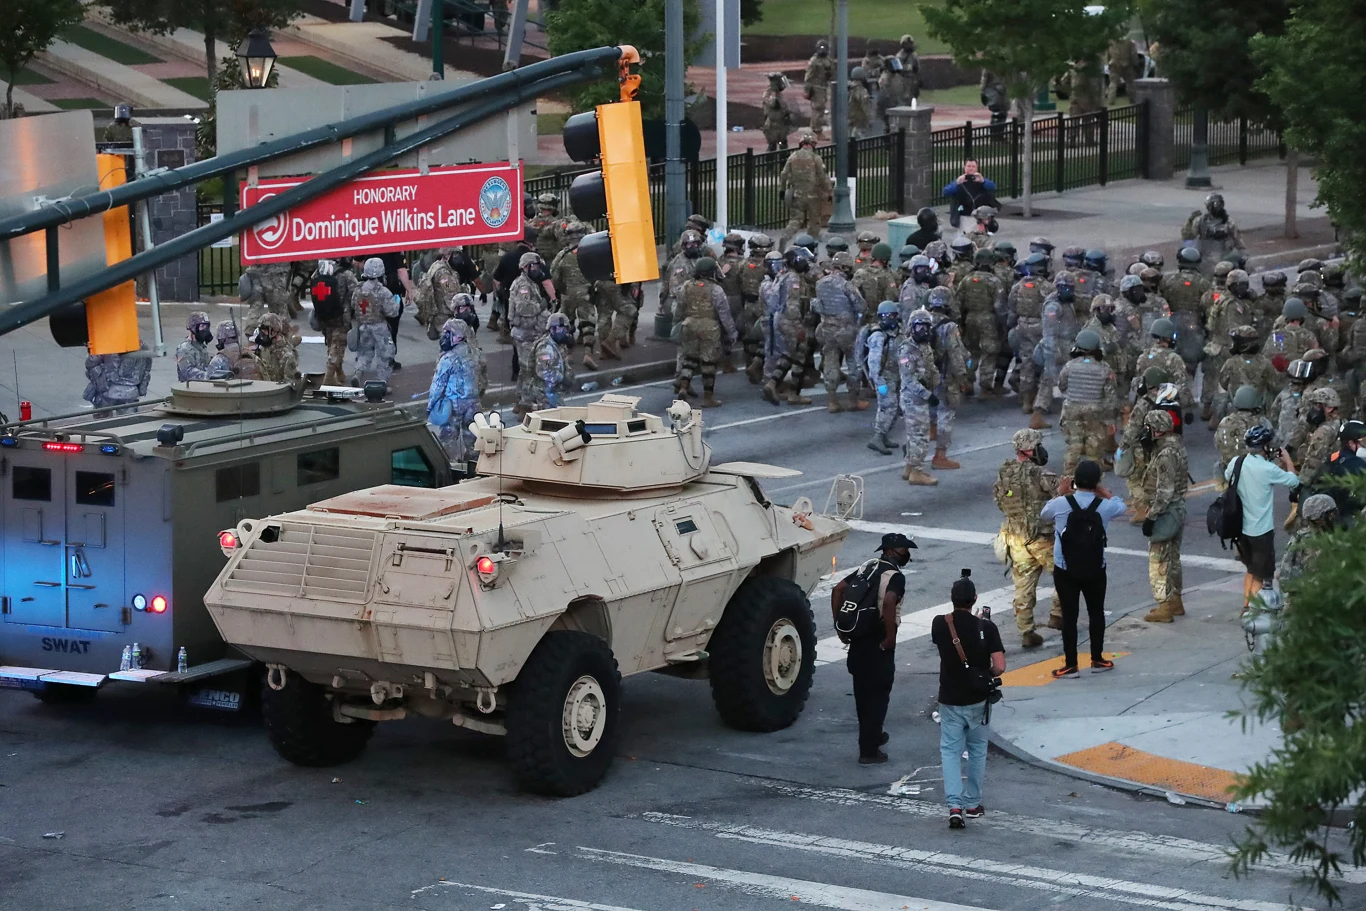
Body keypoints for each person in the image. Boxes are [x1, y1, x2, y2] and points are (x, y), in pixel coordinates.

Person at [930, 570, 1005, 828]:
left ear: (951, 598)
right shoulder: (987, 627)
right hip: (977, 700)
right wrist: (984, 670)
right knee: (976, 751)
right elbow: (1000, 666)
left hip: (949, 697)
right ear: (975, 598)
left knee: (950, 751)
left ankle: (954, 805)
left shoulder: (940, 623)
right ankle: (972, 803)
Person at [830, 532, 911, 764]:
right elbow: (888, 602)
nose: (907, 556)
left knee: (862, 695)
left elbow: (837, 590)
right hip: (878, 644)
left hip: (856, 642)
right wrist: (890, 638)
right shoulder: (895, 576)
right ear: (893, 551)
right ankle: (869, 751)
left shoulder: (868, 568)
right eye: (905, 551)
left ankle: (873, 736)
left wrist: (840, 627)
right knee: (878, 696)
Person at [1041, 460, 1126, 677]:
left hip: (1065, 567)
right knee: (1096, 612)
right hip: (1095, 567)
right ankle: (1097, 659)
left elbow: (1044, 514)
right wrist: (1104, 492)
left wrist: (1060, 493)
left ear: (1074, 481)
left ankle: (1070, 665)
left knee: (1069, 615)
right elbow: (1122, 506)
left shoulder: (1061, 504)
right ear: (1097, 482)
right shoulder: (1104, 507)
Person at [993, 428, 1065, 646]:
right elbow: (1061, 497)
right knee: (1066, 575)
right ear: (1030, 449)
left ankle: (1026, 631)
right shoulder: (1040, 475)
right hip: (1042, 538)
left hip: (1015, 538)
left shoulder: (1004, 473)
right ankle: (1058, 615)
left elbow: (998, 501)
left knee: (1023, 584)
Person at [1225, 425, 1300, 610]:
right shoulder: (1268, 469)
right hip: (1261, 531)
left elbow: (1228, 476)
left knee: (1251, 570)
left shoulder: (1237, 461)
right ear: (1265, 446)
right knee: (1260, 574)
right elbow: (1294, 481)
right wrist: (1288, 461)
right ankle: (1250, 609)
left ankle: (1246, 605)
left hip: (1240, 528)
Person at [1140, 410, 1189, 622]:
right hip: (1178, 508)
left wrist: (1151, 516)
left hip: (1166, 511)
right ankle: (1176, 600)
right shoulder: (1175, 445)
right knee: (1173, 558)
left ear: (1157, 431)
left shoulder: (1165, 455)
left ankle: (1164, 605)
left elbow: (1164, 491)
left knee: (1159, 559)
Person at [674, 257, 738, 407]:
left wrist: (676, 323)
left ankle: (683, 388)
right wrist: (732, 332)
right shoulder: (716, 289)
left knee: (690, 359)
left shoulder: (687, 286)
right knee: (709, 363)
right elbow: (724, 314)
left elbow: (680, 307)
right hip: (710, 327)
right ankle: (708, 398)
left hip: (689, 324)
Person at [1057, 329, 1119, 475]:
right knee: (1094, 445)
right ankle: (1093, 476)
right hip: (1095, 409)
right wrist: (1110, 421)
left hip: (1071, 408)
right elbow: (1110, 396)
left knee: (1074, 443)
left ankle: (1069, 476)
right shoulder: (1104, 368)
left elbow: (1062, 385)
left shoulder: (1070, 365)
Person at [814, 251, 869, 413]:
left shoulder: (821, 283)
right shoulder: (846, 285)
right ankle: (853, 400)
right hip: (848, 330)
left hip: (828, 329)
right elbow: (861, 306)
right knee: (853, 364)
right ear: (845, 267)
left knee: (831, 363)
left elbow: (818, 305)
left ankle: (832, 401)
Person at [426, 318, 480, 462]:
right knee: (474, 438)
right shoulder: (476, 354)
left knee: (448, 440)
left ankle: (453, 470)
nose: (444, 337)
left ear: (458, 336)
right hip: (473, 403)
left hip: (453, 405)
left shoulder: (448, 359)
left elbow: (438, 386)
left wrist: (430, 406)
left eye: (448, 333)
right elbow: (483, 377)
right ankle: (475, 467)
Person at [550, 221, 600, 372]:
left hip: (568, 293)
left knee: (568, 324)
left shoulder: (562, 255)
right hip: (585, 292)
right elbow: (599, 272)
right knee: (588, 324)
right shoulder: (591, 252)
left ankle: (569, 353)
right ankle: (588, 354)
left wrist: (561, 289)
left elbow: (554, 275)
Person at [509, 251, 553, 416]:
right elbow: (524, 308)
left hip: (530, 332)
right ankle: (526, 408)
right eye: (534, 266)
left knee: (524, 370)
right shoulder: (524, 286)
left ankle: (520, 402)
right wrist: (541, 305)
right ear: (526, 267)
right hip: (526, 333)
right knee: (530, 371)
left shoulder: (530, 282)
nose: (537, 268)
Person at [900, 309, 941, 486]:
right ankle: (917, 471)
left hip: (921, 397)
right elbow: (908, 379)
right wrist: (927, 395)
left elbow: (930, 368)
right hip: (914, 399)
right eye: (919, 327)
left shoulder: (924, 346)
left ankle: (909, 467)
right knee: (920, 436)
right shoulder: (907, 350)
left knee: (913, 435)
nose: (923, 330)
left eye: (926, 326)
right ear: (911, 327)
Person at [349, 257, 401, 388]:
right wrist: (397, 303)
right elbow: (392, 312)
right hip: (380, 327)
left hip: (363, 327)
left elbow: (353, 305)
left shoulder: (358, 289)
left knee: (364, 353)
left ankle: (358, 373)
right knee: (385, 355)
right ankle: (380, 384)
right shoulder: (382, 291)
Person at [779, 131, 832, 249]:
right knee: (814, 222)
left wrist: (782, 190)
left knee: (795, 220)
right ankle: (810, 245)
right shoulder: (815, 158)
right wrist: (829, 191)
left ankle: (786, 236)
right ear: (813, 144)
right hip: (814, 196)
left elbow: (783, 174)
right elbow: (823, 176)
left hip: (797, 195)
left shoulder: (793, 157)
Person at [865, 301, 902, 455]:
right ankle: (878, 437)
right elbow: (873, 362)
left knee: (895, 408)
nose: (888, 319)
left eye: (891, 315)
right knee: (888, 407)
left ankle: (884, 435)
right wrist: (879, 382)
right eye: (885, 316)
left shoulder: (898, 332)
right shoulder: (878, 335)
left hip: (896, 375)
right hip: (884, 377)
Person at [309, 259, 354, 386]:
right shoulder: (346, 274)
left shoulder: (318, 272)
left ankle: (339, 372)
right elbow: (355, 293)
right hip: (341, 316)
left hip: (323, 315)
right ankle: (329, 378)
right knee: (338, 346)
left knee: (331, 344)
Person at [1277, 494, 1338, 586]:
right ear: (1319, 519)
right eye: (1330, 514)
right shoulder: (1312, 541)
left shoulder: (1304, 534)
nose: (1333, 517)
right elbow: (1316, 574)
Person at [1181, 192, 1245, 275]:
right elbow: (1188, 236)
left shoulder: (1228, 222)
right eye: (1215, 205)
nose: (1217, 208)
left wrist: (1242, 254)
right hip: (1205, 258)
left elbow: (1238, 240)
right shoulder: (1200, 221)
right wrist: (1189, 221)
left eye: (1219, 205)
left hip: (1224, 257)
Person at [83, 343, 152, 409]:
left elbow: (90, 363)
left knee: (103, 417)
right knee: (128, 418)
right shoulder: (141, 345)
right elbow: (147, 367)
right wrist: (142, 388)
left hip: (108, 390)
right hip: (131, 392)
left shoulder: (106, 343)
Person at [533, 313, 576, 408]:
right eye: (560, 329)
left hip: (555, 392)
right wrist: (562, 378)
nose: (563, 332)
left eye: (565, 329)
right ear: (552, 330)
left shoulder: (559, 345)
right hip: (546, 394)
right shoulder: (545, 348)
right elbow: (543, 371)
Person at [943, 160, 998, 229]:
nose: (971, 168)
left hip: (980, 217)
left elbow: (992, 187)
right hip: (964, 217)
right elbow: (946, 192)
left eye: (973, 166)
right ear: (964, 167)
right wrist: (957, 183)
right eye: (969, 166)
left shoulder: (981, 180)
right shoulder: (960, 181)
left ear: (977, 168)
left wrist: (983, 181)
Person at [253, 313, 299, 383]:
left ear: (274, 332)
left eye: (265, 330)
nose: (262, 333)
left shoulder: (286, 355)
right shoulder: (264, 347)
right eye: (261, 329)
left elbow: (291, 383)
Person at [803, 40, 834, 137]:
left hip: (824, 86)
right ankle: (816, 131)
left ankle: (815, 130)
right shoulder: (814, 61)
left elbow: (831, 72)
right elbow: (808, 77)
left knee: (820, 109)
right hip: (816, 87)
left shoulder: (828, 60)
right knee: (818, 109)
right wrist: (807, 90)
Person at [761, 73, 796, 151]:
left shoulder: (778, 93)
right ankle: (770, 162)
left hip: (781, 123)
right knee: (773, 145)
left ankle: (783, 161)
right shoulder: (771, 93)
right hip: (773, 125)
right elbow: (774, 103)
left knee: (783, 144)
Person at [176, 311, 213, 381]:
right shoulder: (184, 349)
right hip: (188, 388)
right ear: (193, 328)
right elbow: (188, 372)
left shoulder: (201, 346)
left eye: (206, 326)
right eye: (202, 326)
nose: (205, 330)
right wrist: (209, 376)